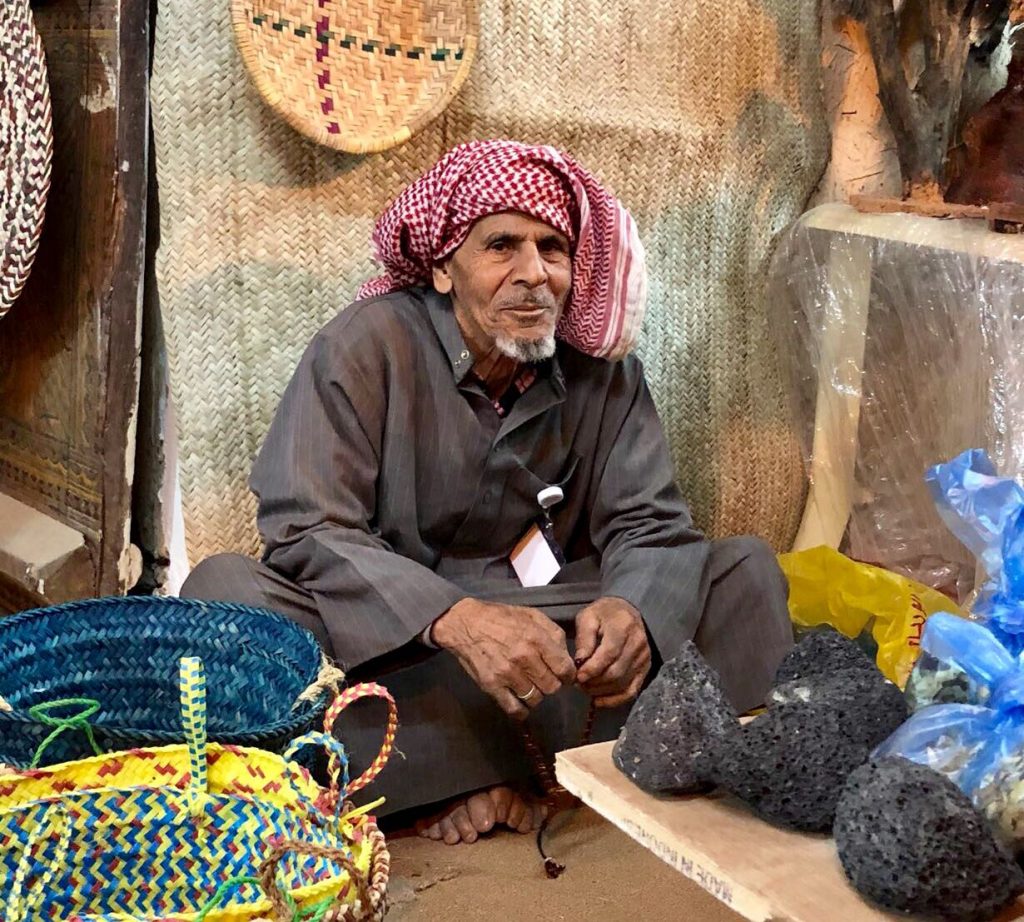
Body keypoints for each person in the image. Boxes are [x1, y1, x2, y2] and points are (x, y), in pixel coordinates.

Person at [182, 139, 793, 846]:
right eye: (502, 246)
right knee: (224, 598)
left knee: (745, 573)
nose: (533, 274)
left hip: (550, 631)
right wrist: (455, 620)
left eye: (552, 249)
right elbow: (306, 527)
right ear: (444, 267)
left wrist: (633, 610)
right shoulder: (367, 345)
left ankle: (437, 777)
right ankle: (557, 765)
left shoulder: (603, 371)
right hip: (396, 639)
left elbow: (650, 523)